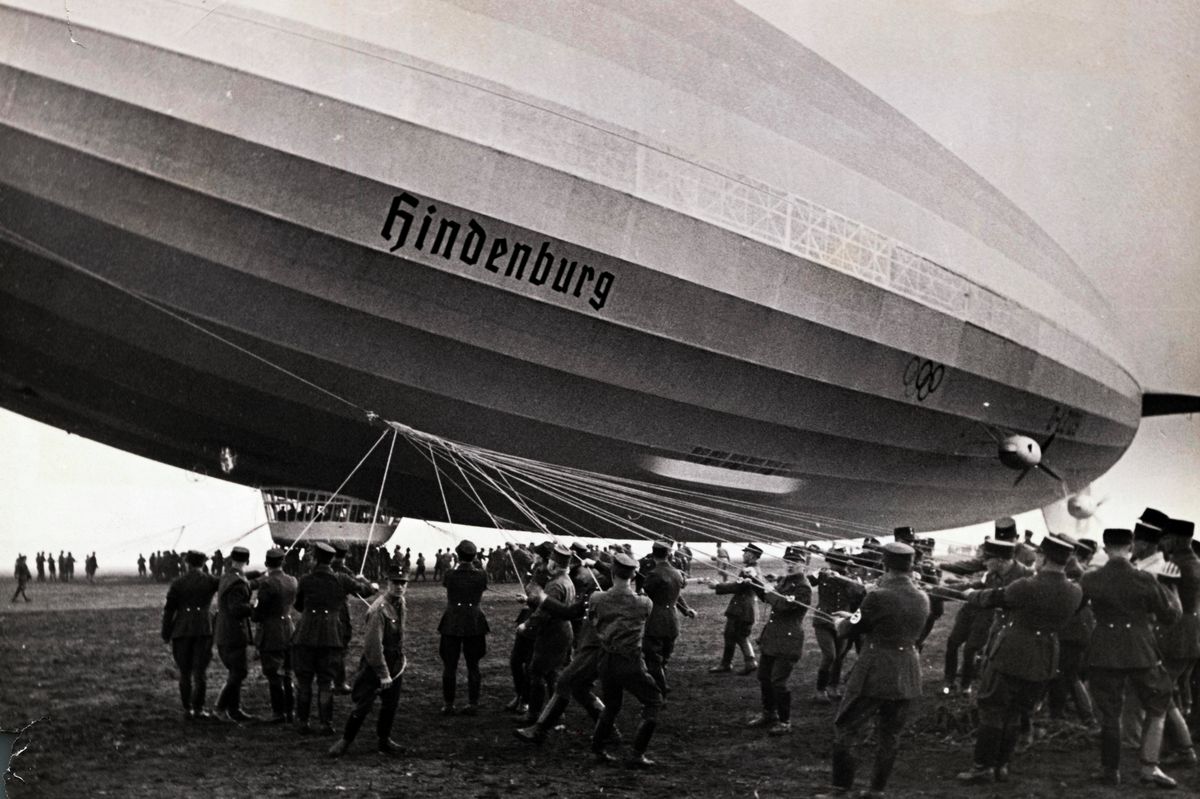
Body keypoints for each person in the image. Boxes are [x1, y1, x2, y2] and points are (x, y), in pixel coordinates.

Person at [956, 535, 1083, 783]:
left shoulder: (1027, 586)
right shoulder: (1074, 591)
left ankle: (982, 767)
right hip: (1045, 656)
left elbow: (992, 598)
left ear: (1043, 557)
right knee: (1016, 714)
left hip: (1011, 654)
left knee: (993, 710)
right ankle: (1002, 766)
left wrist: (970, 593)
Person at [817, 542, 928, 799]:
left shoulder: (878, 596)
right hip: (907, 671)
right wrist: (855, 618)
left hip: (875, 669)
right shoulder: (922, 597)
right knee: (890, 735)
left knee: (846, 727)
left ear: (885, 565)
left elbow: (849, 628)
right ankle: (876, 790)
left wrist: (842, 621)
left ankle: (841, 789)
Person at [1081, 527, 1182, 787]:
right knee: (1158, 704)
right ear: (1130, 548)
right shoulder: (1145, 579)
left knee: (1110, 714)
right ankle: (1149, 768)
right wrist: (1171, 588)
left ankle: (1110, 770)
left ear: (1105, 549)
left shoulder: (1090, 579)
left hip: (1104, 651)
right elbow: (1169, 616)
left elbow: (1076, 608)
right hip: (1141, 651)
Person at [589, 553, 664, 768]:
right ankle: (636, 754)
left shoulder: (597, 598)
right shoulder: (644, 602)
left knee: (611, 705)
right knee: (654, 701)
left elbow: (595, 621)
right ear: (633, 575)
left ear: (612, 573)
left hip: (605, 660)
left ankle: (597, 749)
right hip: (629, 661)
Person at [293, 542, 372, 735]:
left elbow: (298, 606)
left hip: (305, 634)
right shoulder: (342, 579)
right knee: (325, 682)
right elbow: (368, 591)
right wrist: (366, 581)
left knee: (304, 681)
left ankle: (302, 722)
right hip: (330, 635)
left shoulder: (305, 580)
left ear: (315, 558)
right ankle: (325, 723)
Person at [328, 567, 408, 757]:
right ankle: (345, 740)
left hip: (394, 661)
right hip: (376, 663)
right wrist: (383, 673)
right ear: (388, 583)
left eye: (402, 583)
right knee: (364, 703)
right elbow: (373, 645)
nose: (399, 587)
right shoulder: (378, 610)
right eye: (395, 583)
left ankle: (384, 740)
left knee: (391, 704)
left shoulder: (401, 603)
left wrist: (399, 661)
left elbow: (399, 635)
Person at [748, 545, 812, 735]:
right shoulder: (785, 581)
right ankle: (769, 713)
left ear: (803, 564)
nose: (790, 566)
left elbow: (783, 605)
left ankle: (785, 721)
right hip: (773, 637)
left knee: (778, 681)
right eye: (788, 562)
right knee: (764, 677)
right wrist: (753, 580)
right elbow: (768, 597)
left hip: (788, 640)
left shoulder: (803, 587)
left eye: (795, 562)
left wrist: (769, 591)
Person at [161, 550, 221, 719]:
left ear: (187, 563)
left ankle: (187, 708)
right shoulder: (210, 580)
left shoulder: (178, 583)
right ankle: (199, 708)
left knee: (185, 672)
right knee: (200, 672)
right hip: (203, 629)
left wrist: (166, 632)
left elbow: (169, 610)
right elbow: (231, 582)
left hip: (181, 629)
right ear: (203, 564)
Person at [437, 539, 490, 715]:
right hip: (474, 621)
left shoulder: (449, 574)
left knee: (449, 665)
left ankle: (448, 704)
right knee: (473, 665)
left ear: (458, 555)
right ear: (474, 556)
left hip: (452, 620)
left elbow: (447, 584)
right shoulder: (482, 575)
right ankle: (473, 703)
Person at [641, 539, 695, 696]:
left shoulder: (653, 574)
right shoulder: (677, 573)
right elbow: (677, 595)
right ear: (669, 554)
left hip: (655, 621)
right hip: (672, 620)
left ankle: (661, 687)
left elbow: (645, 595)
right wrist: (686, 610)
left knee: (652, 657)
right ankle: (662, 682)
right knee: (664, 656)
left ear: (653, 555)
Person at [811, 549, 865, 702]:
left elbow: (860, 591)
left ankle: (832, 686)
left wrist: (841, 578)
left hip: (842, 621)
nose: (832, 566)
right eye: (831, 563)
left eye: (835, 563)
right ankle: (820, 690)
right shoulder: (822, 573)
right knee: (830, 655)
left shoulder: (852, 578)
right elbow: (807, 581)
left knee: (839, 656)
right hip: (823, 619)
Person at [254, 547, 298, 724]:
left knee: (274, 674)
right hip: (288, 628)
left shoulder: (267, 583)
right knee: (288, 673)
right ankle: (290, 711)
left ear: (266, 564)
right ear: (283, 563)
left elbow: (259, 611)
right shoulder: (293, 581)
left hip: (271, 631)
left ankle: (278, 712)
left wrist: (253, 613)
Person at [214, 546, 256, 722]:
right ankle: (220, 707)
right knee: (239, 672)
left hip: (223, 631)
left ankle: (235, 709)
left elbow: (242, 585)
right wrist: (253, 607)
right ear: (246, 561)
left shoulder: (227, 577)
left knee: (235, 671)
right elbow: (236, 608)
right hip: (234, 632)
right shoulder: (238, 582)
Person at [708, 543, 762, 675]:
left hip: (741, 608)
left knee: (734, 635)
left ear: (751, 555)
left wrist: (717, 586)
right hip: (746, 607)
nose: (743, 555)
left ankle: (733, 663)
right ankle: (745, 662)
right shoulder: (754, 569)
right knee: (736, 635)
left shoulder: (750, 570)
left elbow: (738, 586)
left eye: (746, 553)